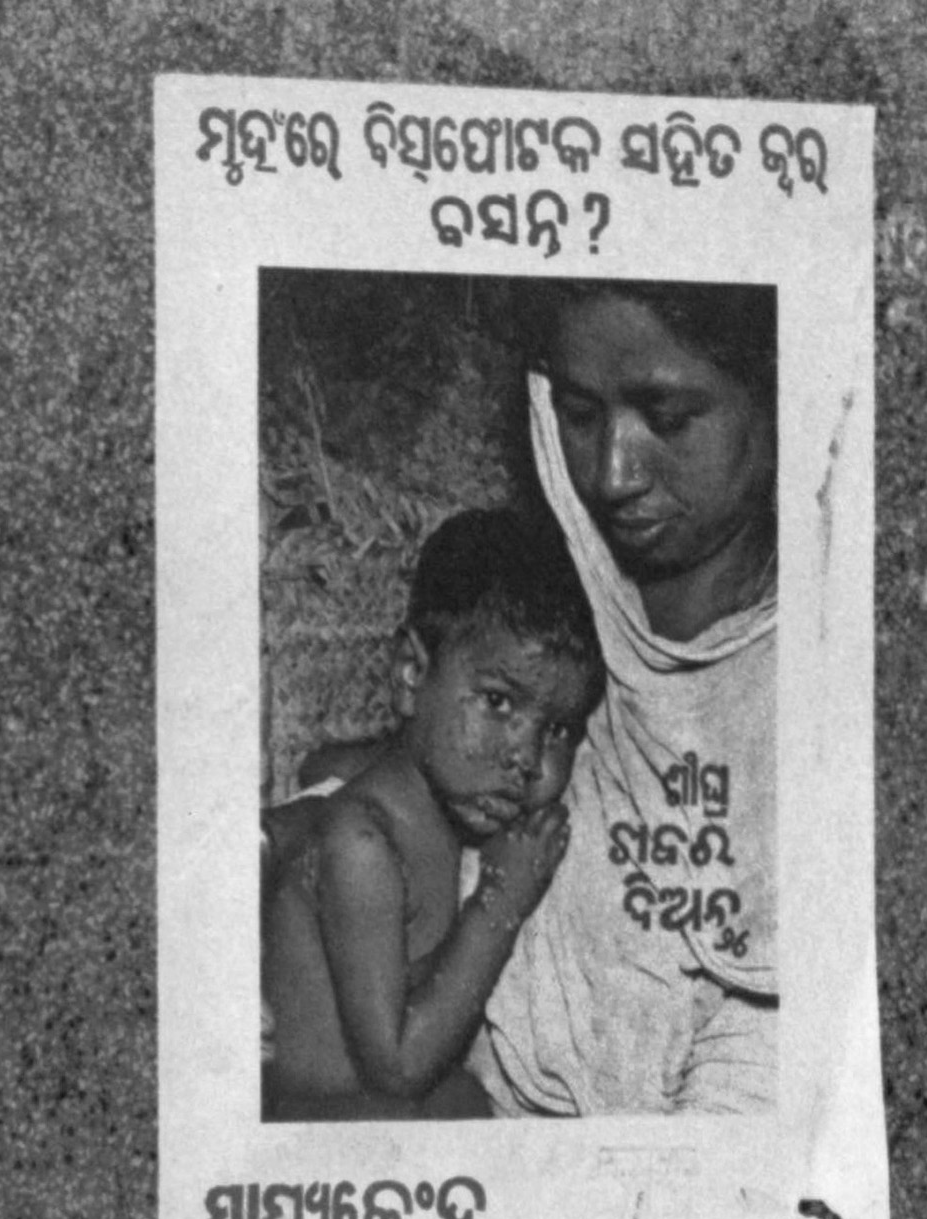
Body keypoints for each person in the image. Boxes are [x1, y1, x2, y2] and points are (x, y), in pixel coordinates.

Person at [471, 281, 782, 1123]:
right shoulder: (564, 606)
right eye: (579, 414)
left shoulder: (805, 677)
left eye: (668, 419)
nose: (611, 473)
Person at [263, 507, 602, 1123]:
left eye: (557, 730)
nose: (527, 759)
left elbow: (332, 762)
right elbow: (398, 1067)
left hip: (392, 1108)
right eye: (498, 702)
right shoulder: (363, 844)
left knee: (470, 1104)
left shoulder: (440, 789)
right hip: (324, 1124)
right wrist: (500, 902)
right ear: (411, 674)